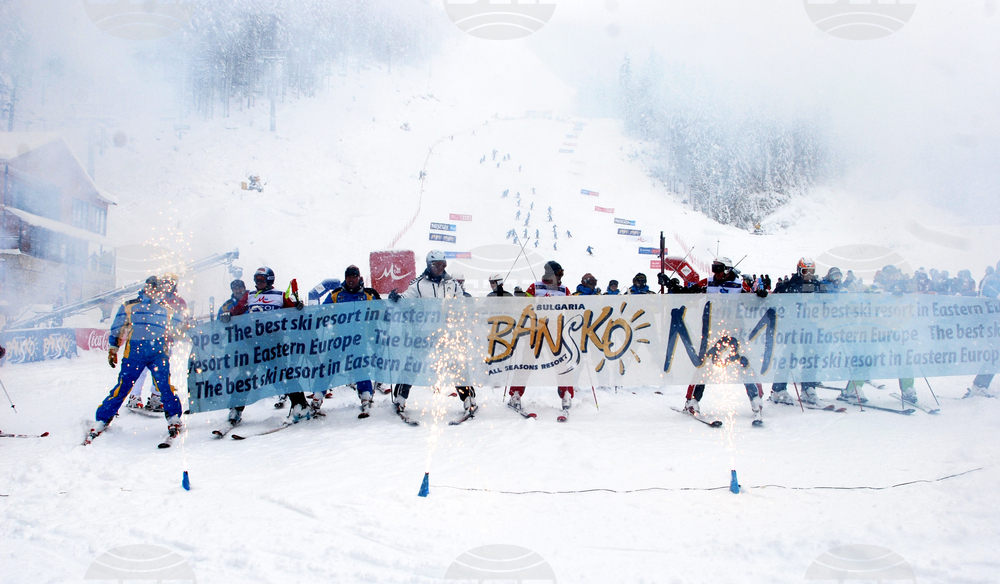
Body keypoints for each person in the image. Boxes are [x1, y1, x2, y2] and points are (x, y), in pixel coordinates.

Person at [86, 277, 186, 444]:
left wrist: (185, 328)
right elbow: (118, 327)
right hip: (134, 354)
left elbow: (178, 330)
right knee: (123, 387)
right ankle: (102, 419)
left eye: (156, 289)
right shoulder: (130, 305)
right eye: (150, 288)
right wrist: (113, 348)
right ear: (145, 288)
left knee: (164, 387)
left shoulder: (167, 309)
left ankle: (174, 417)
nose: (153, 291)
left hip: (158, 354)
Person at [388, 251, 477, 421]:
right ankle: (400, 398)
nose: (439, 268)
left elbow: (461, 302)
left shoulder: (452, 284)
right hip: (425, 332)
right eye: (436, 265)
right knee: (413, 364)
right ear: (429, 265)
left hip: (447, 332)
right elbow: (407, 298)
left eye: (442, 265)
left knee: (455, 364)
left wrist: (463, 303)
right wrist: (397, 298)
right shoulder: (419, 284)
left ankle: (468, 398)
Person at [682, 257, 767, 425]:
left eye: (719, 269)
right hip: (713, 331)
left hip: (734, 331)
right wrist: (676, 288)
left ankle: (756, 399)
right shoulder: (709, 282)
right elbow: (691, 294)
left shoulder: (739, 285)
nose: (716, 272)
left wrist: (759, 295)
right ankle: (692, 400)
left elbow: (751, 305)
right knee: (705, 365)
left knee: (743, 363)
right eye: (714, 268)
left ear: (728, 269)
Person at [221, 266, 308, 425]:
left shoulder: (279, 295)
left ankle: (300, 404)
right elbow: (238, 310)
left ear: (269, 280)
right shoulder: (250, 295)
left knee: (283, 374)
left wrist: (298, 306)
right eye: (256, 279)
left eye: (261, 280)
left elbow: (294, 310)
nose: (258, 282)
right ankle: (236, 409)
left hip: (274, 342)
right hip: (254, 342)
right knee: (244, 376)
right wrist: (229, 314)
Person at [507, 261, 575, 418]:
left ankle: (566, 394)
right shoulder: (535, 287)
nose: (561, 277)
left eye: (562, 274)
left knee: (561, 363)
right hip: (536, 329)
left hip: (554, 331)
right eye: (558, 274)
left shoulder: (564, 289)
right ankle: (515, 394)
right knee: (526, 362)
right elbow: (524, 305)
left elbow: (572, 308)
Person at [312, 265, 381, 418]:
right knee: (328, 367)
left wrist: (388, 301)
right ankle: (318, 396)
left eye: (354, 277)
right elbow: (322, 311)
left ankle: (365, 396)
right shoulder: (337, 294)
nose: (351, 280)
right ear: (345, 278)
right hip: (339, 339)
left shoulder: (367, 295)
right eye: (349, 277)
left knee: (361, 367)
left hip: (359, 340)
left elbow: (382, 311)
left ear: (359, 278)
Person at [770, 257, 825, 405]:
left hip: (810, 327)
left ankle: (808, 388)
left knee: (811, 356)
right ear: (800, 271)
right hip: (792, 327)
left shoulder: (817, 285)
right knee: (788, 356)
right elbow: (776, 297)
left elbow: (827, 299)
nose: (809, 275)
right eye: (806, 271)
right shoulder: (790, 284)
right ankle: (778, 390)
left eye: (811, 271)